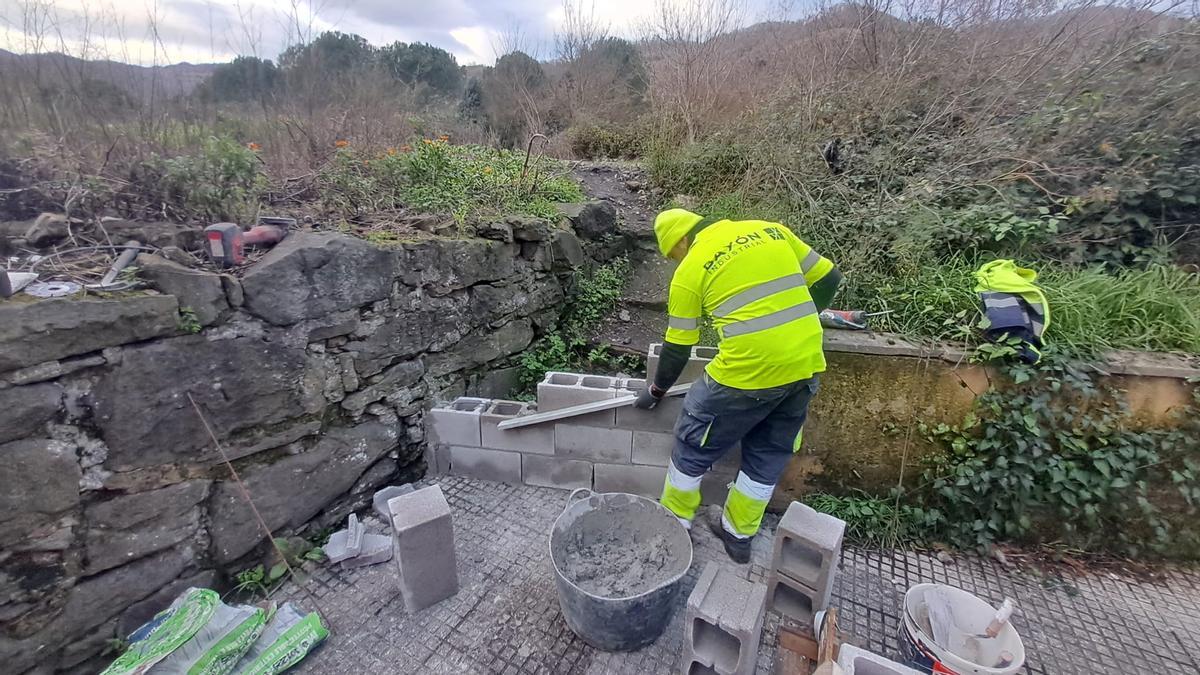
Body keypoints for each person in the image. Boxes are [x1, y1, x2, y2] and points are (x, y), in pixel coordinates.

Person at [633, 208, 842, 563]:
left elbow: (679, 346)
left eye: (673, 254)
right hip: (804, 365)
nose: (674, 261)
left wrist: (656, 391)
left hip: (744, 374)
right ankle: (738, 536)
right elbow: (830, 277)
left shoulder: (691, 268)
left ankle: (674, 524)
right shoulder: (771, 228)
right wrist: (798, 322)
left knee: (691, 444)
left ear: (682, 240)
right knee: (768, 455)